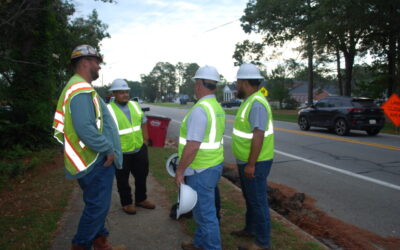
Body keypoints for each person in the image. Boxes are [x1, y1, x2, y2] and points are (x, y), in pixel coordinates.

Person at [52, 45, 125, 250]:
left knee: (97, 205)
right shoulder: (81, 90)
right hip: (94, 159)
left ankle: (100, 242)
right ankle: (81, 245)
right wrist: (108, 148)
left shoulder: (77, 87)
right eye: (96, 61)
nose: (98, 66)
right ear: (85, 62)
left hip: (90, 157)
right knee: (98, 207)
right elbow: (85, 127)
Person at [175, 65, 225, 250]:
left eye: (195, 83)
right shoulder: (216, 107)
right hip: (211, 166)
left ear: (198, 84)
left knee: (205, 214)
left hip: (200, 169)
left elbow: (193, 145)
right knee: (201, 210)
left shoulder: (200, 109)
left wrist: (180, 171)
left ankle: (211, 246)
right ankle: (199, 243)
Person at [231, 63, 274, 250]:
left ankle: (262, 244)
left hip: (256, 162)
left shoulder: (257, 103)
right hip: (247, 161)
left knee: (258, 202)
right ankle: (250, 229)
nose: (236, 85)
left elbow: (259, 135)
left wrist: (251, 164)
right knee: (250, 198)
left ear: (243, 82)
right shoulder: (250, 100)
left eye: (237, 82)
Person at [107, 79, 155, 214]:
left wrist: (145, 141)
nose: (125, 95)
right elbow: (105, 131)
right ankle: (127, 203)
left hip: (139, 149)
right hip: (121, 152)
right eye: (121, 92)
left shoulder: (135, 105)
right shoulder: (109, 109)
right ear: (114, 94)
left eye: (126, 92)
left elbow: (143, 121)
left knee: (141, 176)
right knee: (123, 180)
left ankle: (141, 199)